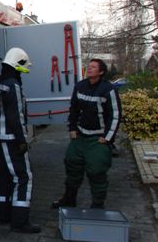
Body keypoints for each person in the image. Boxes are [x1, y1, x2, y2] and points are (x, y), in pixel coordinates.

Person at [52, 58, 122, 209]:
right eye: (88, 66)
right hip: (80, 137)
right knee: (72, 166)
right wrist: (72, 129)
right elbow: (74, 110)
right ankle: (69, 200)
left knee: (97, 171)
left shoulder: (108, 89)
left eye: (93, 67)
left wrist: (108, 138)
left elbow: (115, 115)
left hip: (98, 139)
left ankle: (97, 205)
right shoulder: (80, 86)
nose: (89, 69)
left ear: (101, 72)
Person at [0, 47, 40, 233]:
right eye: (23, 67)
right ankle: (20, 222)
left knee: (3, 178)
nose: (24, 71)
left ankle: (2, 219)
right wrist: (22, 140)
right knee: (24, 176)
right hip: (11, 138)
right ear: (17, 64)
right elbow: (16, 116)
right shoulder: (13, 85)